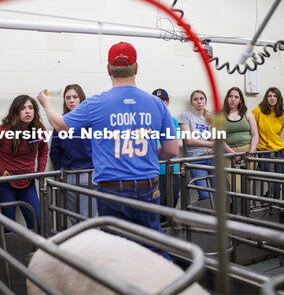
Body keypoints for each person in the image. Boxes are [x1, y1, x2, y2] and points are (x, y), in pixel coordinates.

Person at [37, 42, 179, 260]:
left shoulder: (97, 103)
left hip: (113, 188)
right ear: (136, 68)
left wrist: (46, 103)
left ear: (108, 69)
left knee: (115, 250)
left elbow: (59, 125)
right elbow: (172, 150)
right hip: (148, 187)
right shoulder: (157, 104)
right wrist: (149, 155)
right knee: (154, 246)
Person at [0, 95, 48, 231]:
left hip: (27, 181)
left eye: (31, 108)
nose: (28, 111)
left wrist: (39, 172)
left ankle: (35, 252)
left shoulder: (39, 129)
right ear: (16, 111)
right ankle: (11, 253)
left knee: (37, 223)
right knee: (9, 228)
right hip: (5, 183)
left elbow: (43, 151)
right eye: (23, 108)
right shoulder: (4, 130)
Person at [50, 84, 97, 224]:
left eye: (75, 97)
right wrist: (60, 170)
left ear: (81, 99)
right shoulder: (60, 123)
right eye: (68, 97)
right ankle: (80, 244)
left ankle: (87, 244)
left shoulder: (91, 121)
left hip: (89, 173)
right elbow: (55, 151)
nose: (71, 101)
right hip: (69, 173)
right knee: (72, 215)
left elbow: (101, 147)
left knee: (86, 216)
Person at [178, 90, 215, 201]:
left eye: (201, 99)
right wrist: (210, 144)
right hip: (196, 159)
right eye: (195, 99)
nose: (199, 102)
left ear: (205, 101)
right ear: (192, 102)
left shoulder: (210, 117)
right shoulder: (185, 116)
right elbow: (189, 140)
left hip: (212, 157)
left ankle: (213, 218)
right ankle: (202, 217)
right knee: (205, 195)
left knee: (216, 195)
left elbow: (214, 139)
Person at [222, 87, 259, 192]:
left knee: (247, 186)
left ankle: (245, 209)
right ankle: (235, 208)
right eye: (230, 96)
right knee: (235, 187)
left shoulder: (247, 113)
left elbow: (255, 135)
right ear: (227, 98)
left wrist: (251, 152)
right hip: (230, 153)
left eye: (236, 97)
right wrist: (233, 153)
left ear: (240, 100)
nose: (233, 99)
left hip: (248, 151)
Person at [252, 87, 284, 199]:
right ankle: (270, 201)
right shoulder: (257, 111)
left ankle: (270, 201)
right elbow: (251, 130)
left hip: (278, 151)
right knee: (272, 180)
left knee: (278, 181)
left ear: (278, 98)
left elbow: (278, 132)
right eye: (269, 96)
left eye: (275, 96)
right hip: (263, 152)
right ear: (266, 98)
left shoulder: (282, 115)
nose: (272, 98)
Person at [152, 89, 183, 208]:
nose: (160, 103)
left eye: (163, 100)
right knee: (155, 206)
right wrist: (167, 145)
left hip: (171, 169)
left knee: (172, 201)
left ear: (168, 102)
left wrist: (158, 147)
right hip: (154, 170)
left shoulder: (173, 121)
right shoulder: (147, 120)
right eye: (156, 100)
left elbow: (179, 144)